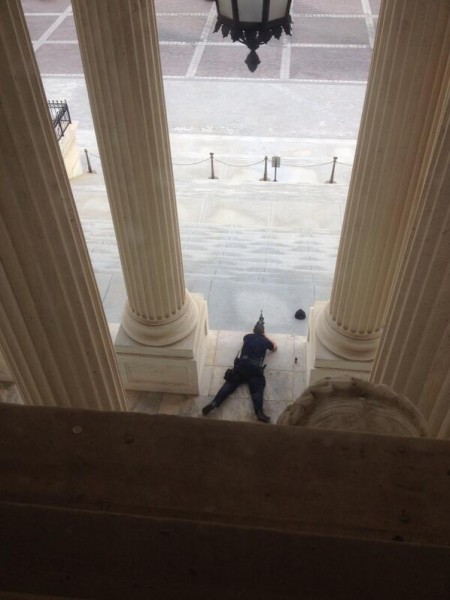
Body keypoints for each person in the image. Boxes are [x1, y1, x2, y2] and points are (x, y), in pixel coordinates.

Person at [202, 312, 278, 423]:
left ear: (253, 330)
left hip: (241, 366)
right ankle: (259, 413)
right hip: (254, 369)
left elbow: (251, 338)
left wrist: (259, 334)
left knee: (229, 385)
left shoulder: (247, 337)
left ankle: (214, 403)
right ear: (263, 332)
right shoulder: (265, 341)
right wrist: (264, 336)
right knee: (257, 390)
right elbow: (275, 348)